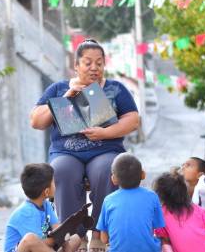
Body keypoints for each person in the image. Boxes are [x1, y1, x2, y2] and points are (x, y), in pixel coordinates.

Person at [30, 39, 139, 251]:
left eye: (99, 63)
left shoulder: (116, 89)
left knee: (106, 169)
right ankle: (75, 237)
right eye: (88, 63)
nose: (94, 68)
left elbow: (133, 121)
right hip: (66, 151)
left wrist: (104, 133)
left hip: (105, 149)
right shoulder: (59, 88)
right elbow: (36, 121)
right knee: (62, 170)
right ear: (76, 65)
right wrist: (65, 98)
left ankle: (98, 233)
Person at [96, 153, 165, 252]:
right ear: (143, 175)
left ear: (114, 179)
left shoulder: (108, 200)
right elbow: (157, 228)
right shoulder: (152, 196)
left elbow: (104, 238)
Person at [4, 163, 80, 252]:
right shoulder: (27, 212)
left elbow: (57, 228)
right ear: (47, 191)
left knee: (75, 238)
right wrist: (61, 237)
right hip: (32, 247)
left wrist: (64, 239)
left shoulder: (46, 204)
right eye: (53, 182)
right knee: (30, 239)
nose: (55, 185)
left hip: (43, 247)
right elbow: (42, 242)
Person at [154, 172, 205, 252]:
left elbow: (165, 239)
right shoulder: (197, 209)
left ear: (161, 196)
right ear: (185, 192)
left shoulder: (161, 214)